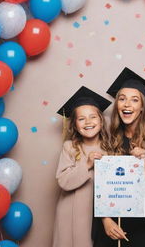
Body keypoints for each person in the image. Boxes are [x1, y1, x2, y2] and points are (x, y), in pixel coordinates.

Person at [93, 67, 145, 247]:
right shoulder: (110, 137)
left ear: (142, 107)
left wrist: (142, 163)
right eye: (122, 99)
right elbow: (100, 187)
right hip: (117, 224)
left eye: (134, 100)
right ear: (117, 105)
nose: (127, 104)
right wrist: (105, 220)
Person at [52, 86, 112, 247]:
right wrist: (87, 164)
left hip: (101, 214)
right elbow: (63, 181)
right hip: (72, 211)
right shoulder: (69, 147)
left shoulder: (110, 148)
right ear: (75, 124)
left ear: (101, 120)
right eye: (81, 119)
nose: (88, 122)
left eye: (93, 117)